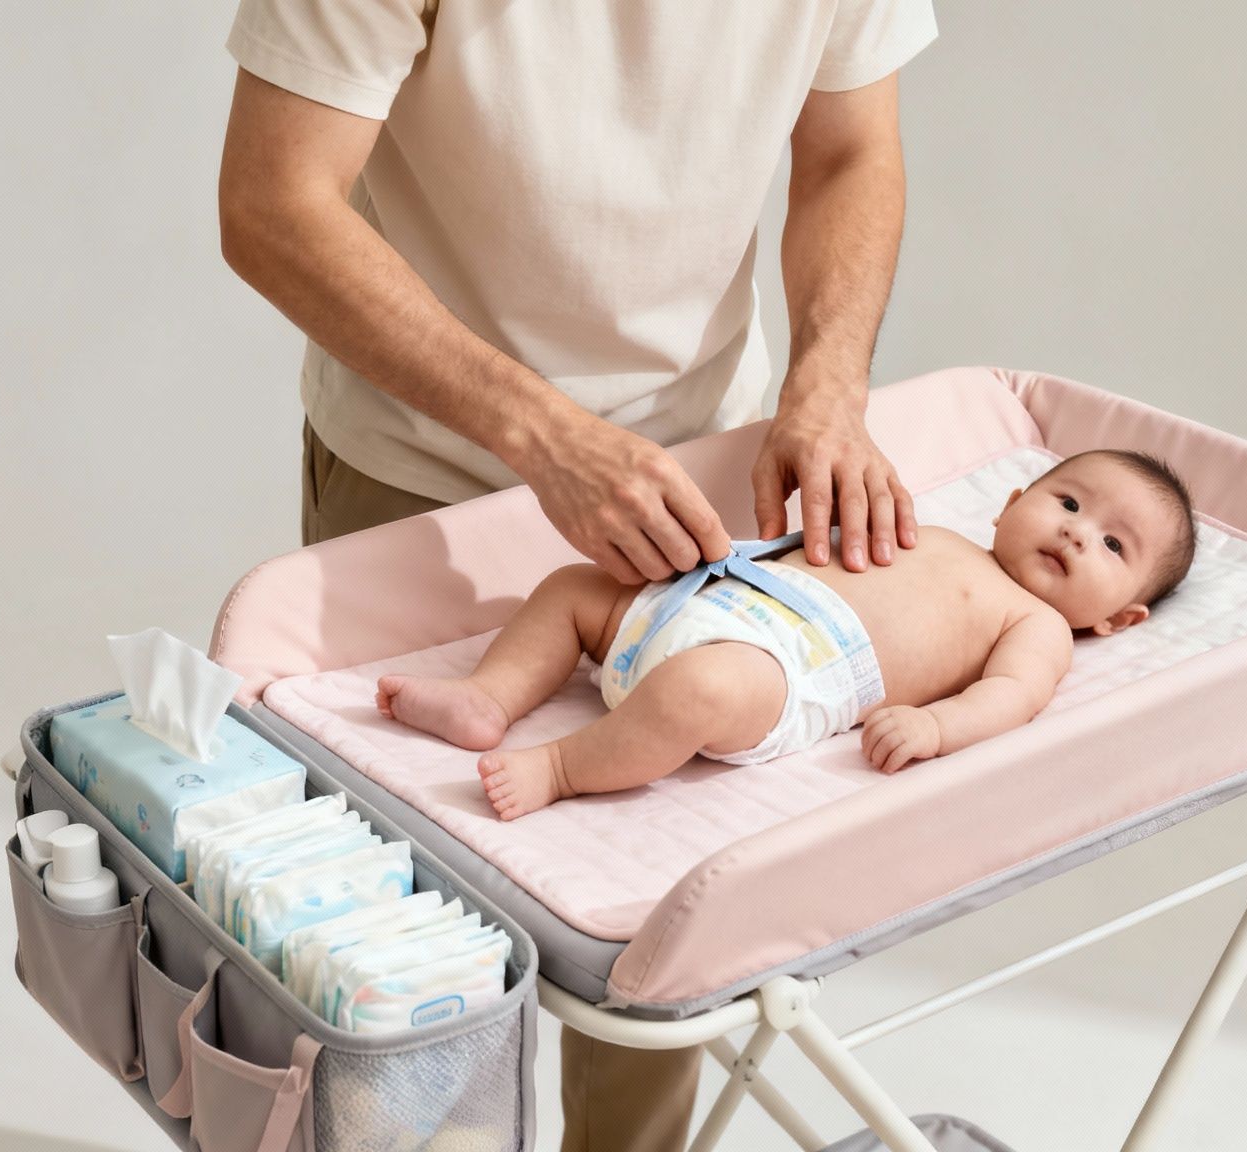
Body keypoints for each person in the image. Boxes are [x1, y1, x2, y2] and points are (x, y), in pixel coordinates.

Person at [216, 2, 939, 1147]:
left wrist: (828, 382)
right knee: (400, 964)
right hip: (423, 476)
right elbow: (271, 206)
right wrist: (543, 436)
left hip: (705, 474)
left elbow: (848, 146)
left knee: (650, 954)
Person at [374, 450, 1199, 817]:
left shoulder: (1038, 623)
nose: (1079, 532)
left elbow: (1012, 696)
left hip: (784, 670)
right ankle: (490, 696)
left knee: (698, 693)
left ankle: (561, 767)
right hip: (712, 594)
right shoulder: (944, 537)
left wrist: (938, 725)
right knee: (573, 590)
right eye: (1068, 502)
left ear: (1119, 618)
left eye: (1114, 546)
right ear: (1011, 500)